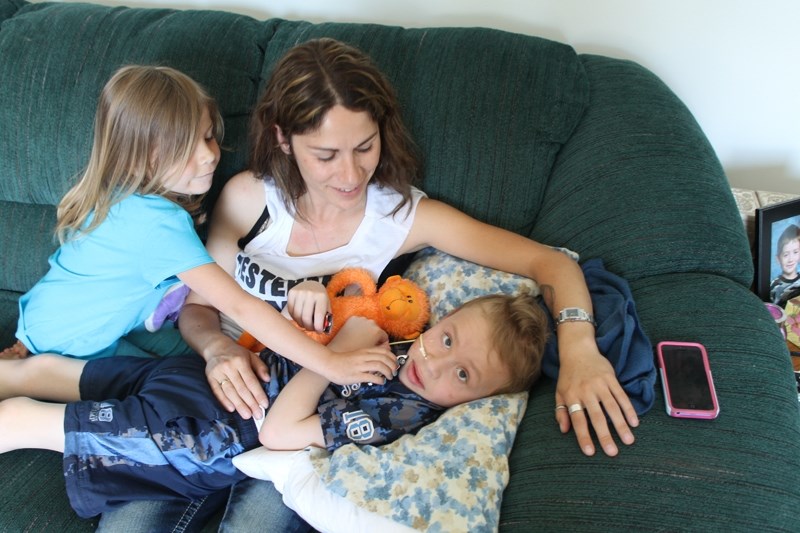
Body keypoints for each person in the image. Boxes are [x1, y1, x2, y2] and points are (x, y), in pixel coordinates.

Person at [103, 38, 641, 531]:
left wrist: (579, 349)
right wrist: (217, 347)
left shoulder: (400, 216)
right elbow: (199, 305)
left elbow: (552, 264)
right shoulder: (248, 199)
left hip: (300, 432)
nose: (351, 175)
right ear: (283, 140)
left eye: (365, 146)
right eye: (326, 155)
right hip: (211, 398)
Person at [0, 65, 396, 391]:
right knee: (178, 387)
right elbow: (240, 305)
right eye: (185, 148)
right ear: (140, 158)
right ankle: (23, 379)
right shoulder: (156, 224)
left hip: (47, 321)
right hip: (71, 345)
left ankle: (28, 359)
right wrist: (331, 364)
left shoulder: (125, 195)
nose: (209, 155)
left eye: (208, 136)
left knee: (195, 364)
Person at [0, 292, 549, 519]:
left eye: (462, 374)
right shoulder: (403, 341)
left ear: (479, 400)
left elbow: (285, 431)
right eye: (447, 339)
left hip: (217, 423)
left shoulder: (399, 414)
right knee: (45, 377)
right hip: (217, 390)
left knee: (44, 396)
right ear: (443, 319)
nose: (434, 363)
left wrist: (333, 356)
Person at [770, 223, 800, 307]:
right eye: (786, 255)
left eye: (795, 252)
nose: (790, 259)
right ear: (778, 259)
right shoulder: (773, 286)